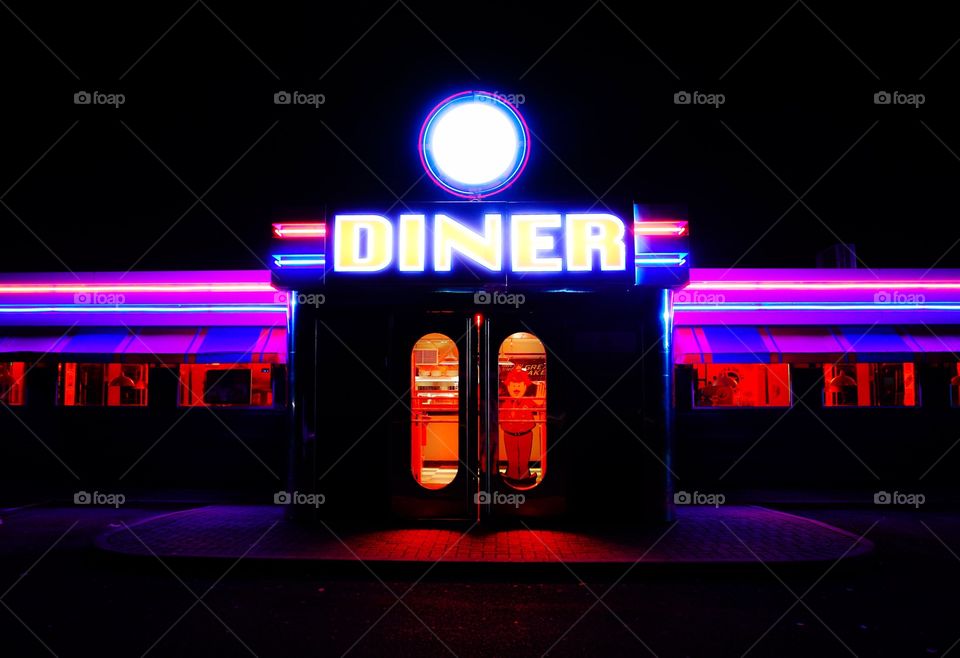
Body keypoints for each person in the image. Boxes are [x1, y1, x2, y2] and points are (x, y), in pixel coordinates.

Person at [498, 366, 544, 486]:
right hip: (508, 434)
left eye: (519, 385)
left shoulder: (529, 401)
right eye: (513, 385)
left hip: (526, 434)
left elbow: (540, 409)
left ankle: (524, 478)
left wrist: (539, 404)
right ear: (508, 387)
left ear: (525, 387)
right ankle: (512, 476)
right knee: (512, 458)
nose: (516, 388)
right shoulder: (504, 402)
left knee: (524, 458)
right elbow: (496, 414)